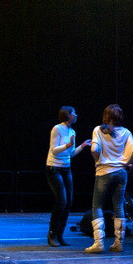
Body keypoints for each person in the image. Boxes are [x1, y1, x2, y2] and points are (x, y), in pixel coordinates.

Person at [85, 104, 133, 253]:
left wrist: (98, 160)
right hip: (121, 173)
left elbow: (94, 149)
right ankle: (119, 243)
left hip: (104, 171)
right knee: (119, 206)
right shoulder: (126, 132)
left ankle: (99, 243)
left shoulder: (98, 130)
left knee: (97, 206)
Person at [45, 106, 90, 247]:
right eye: (73, 113)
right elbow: (54, 151)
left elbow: (70, 154)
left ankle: (60, 235)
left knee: (69, 201)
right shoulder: (57, 129)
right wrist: (68, 144)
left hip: (66, 168)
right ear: (68, 115)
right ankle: (52, 234)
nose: (76, 115)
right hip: (54, 168)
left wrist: (82, 146)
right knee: (62, 200)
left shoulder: (72, 131)